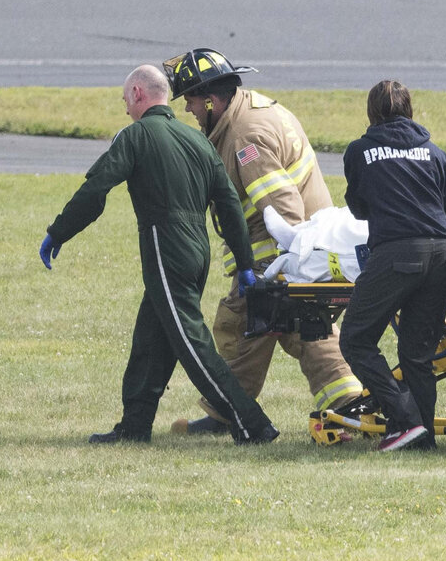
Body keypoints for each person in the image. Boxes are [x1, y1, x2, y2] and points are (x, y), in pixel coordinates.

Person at [37, 65, 277, 445]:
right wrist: (245, 265)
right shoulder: (198, 141)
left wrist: (58, 231)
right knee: (152, 338)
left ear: (137, 94)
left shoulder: (136, 136)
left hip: (166, 248)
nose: (125, 110)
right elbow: (230, 203)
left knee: (191, 343)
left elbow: (96, 189)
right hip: (197, 251)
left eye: (125, 101)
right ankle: (134, 427)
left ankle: (252, 423)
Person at [166, 49, 363, 435]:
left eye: (189, 99)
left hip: (280, 253)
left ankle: (348, 408)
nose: (187, 109)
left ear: (210, 99)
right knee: (286, 329)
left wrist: (280, 272)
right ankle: (235, 412)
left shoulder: (245, 138)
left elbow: (281, 207)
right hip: (300, 247)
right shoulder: (250, 110)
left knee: (259, 323)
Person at [338, 81, 446, 453]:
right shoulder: (434, 152)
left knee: (356, 339)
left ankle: (405, 419)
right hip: (442, 253)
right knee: (417, 354)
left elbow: (358, 207)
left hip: (396, 253)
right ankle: (420, 437)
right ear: (410, 110)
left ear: (371, 112)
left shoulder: (360, 152)